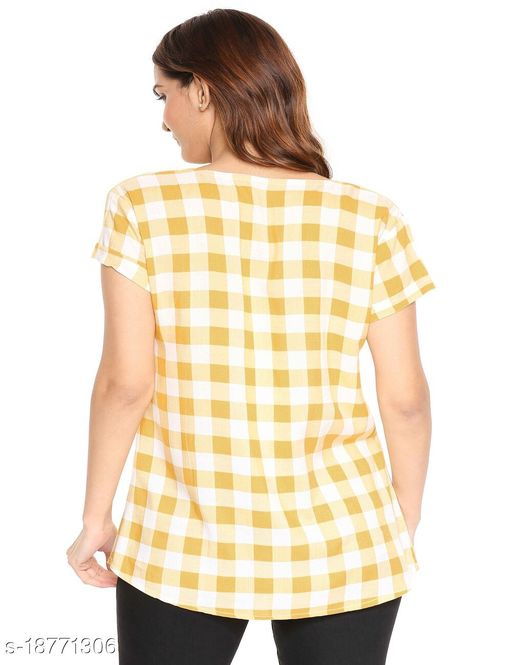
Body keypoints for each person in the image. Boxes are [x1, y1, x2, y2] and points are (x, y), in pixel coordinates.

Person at [66, 8, 436, 665]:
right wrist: (398, 522)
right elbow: (405, 399)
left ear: (202, 90)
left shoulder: (141, 206)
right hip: (346, 537)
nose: (163, 119)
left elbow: (126, 383)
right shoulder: (371, 217)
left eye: (163, 94)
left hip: (182, 541)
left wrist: (96, 517)